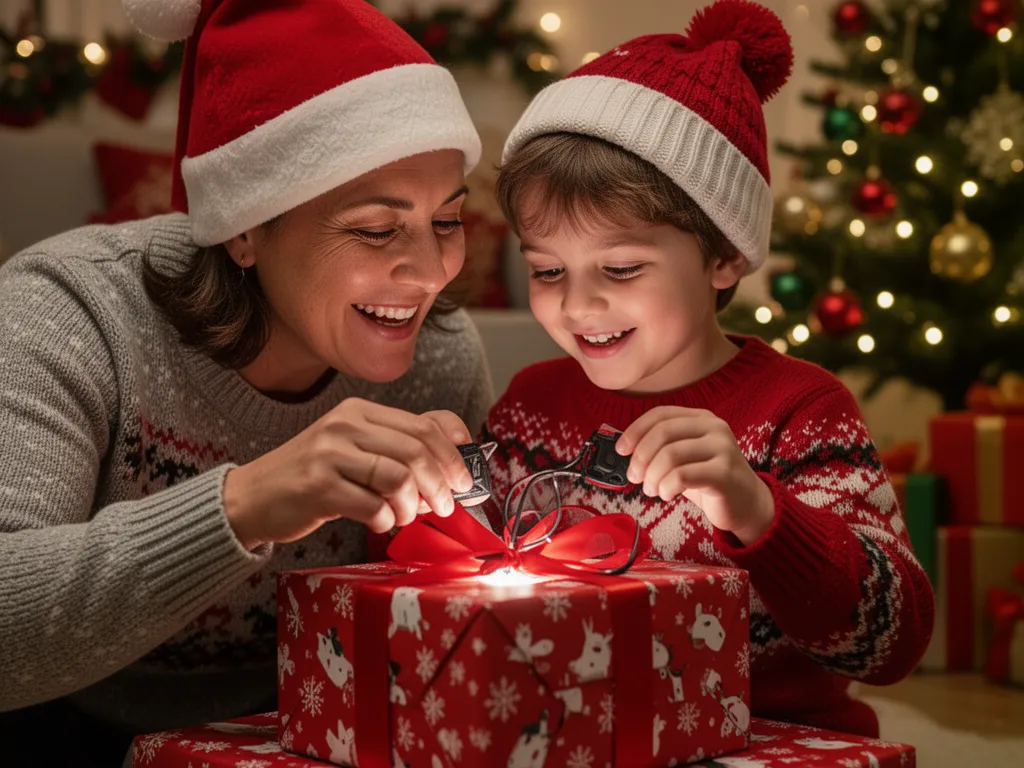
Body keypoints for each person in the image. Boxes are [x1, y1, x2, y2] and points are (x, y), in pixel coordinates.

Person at [0, 0, 493, 763]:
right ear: (243, 226)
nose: (431, 273)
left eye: (449, 221)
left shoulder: (440, 360)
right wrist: (248, 503)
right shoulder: (72, 314)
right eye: (376, 228)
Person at [479, 0, 934, 738]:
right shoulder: (531, 407)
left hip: (771, 744)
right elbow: (458, 591)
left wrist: (758, 512)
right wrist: (435, 494)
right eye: (547, 270)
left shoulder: (801, 411)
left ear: (723, 258)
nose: (579, 304)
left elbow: (893, 641)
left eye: (621, 268)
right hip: (578, 740)